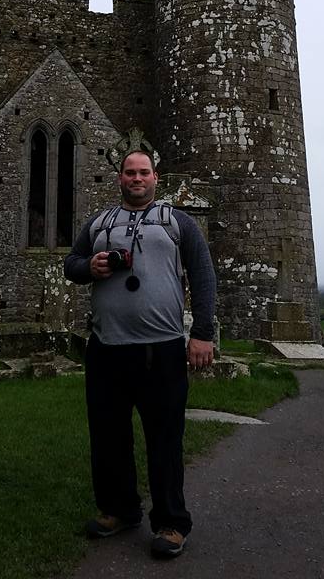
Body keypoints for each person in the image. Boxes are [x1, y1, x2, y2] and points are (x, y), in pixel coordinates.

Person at [64, 149, 216, 559]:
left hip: (161, 349)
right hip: (106, 348)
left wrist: (202, 334)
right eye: (130, 172)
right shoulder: (99, 223)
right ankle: (119, 510)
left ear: (155, 178)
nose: (136, 178)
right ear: (120, 178)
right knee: (108, 436)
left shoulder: (177, 222)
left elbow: (203, 274)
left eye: (143, 172)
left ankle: (171, 523)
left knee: (164, 439)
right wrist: (89, 267)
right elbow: (70, 264)